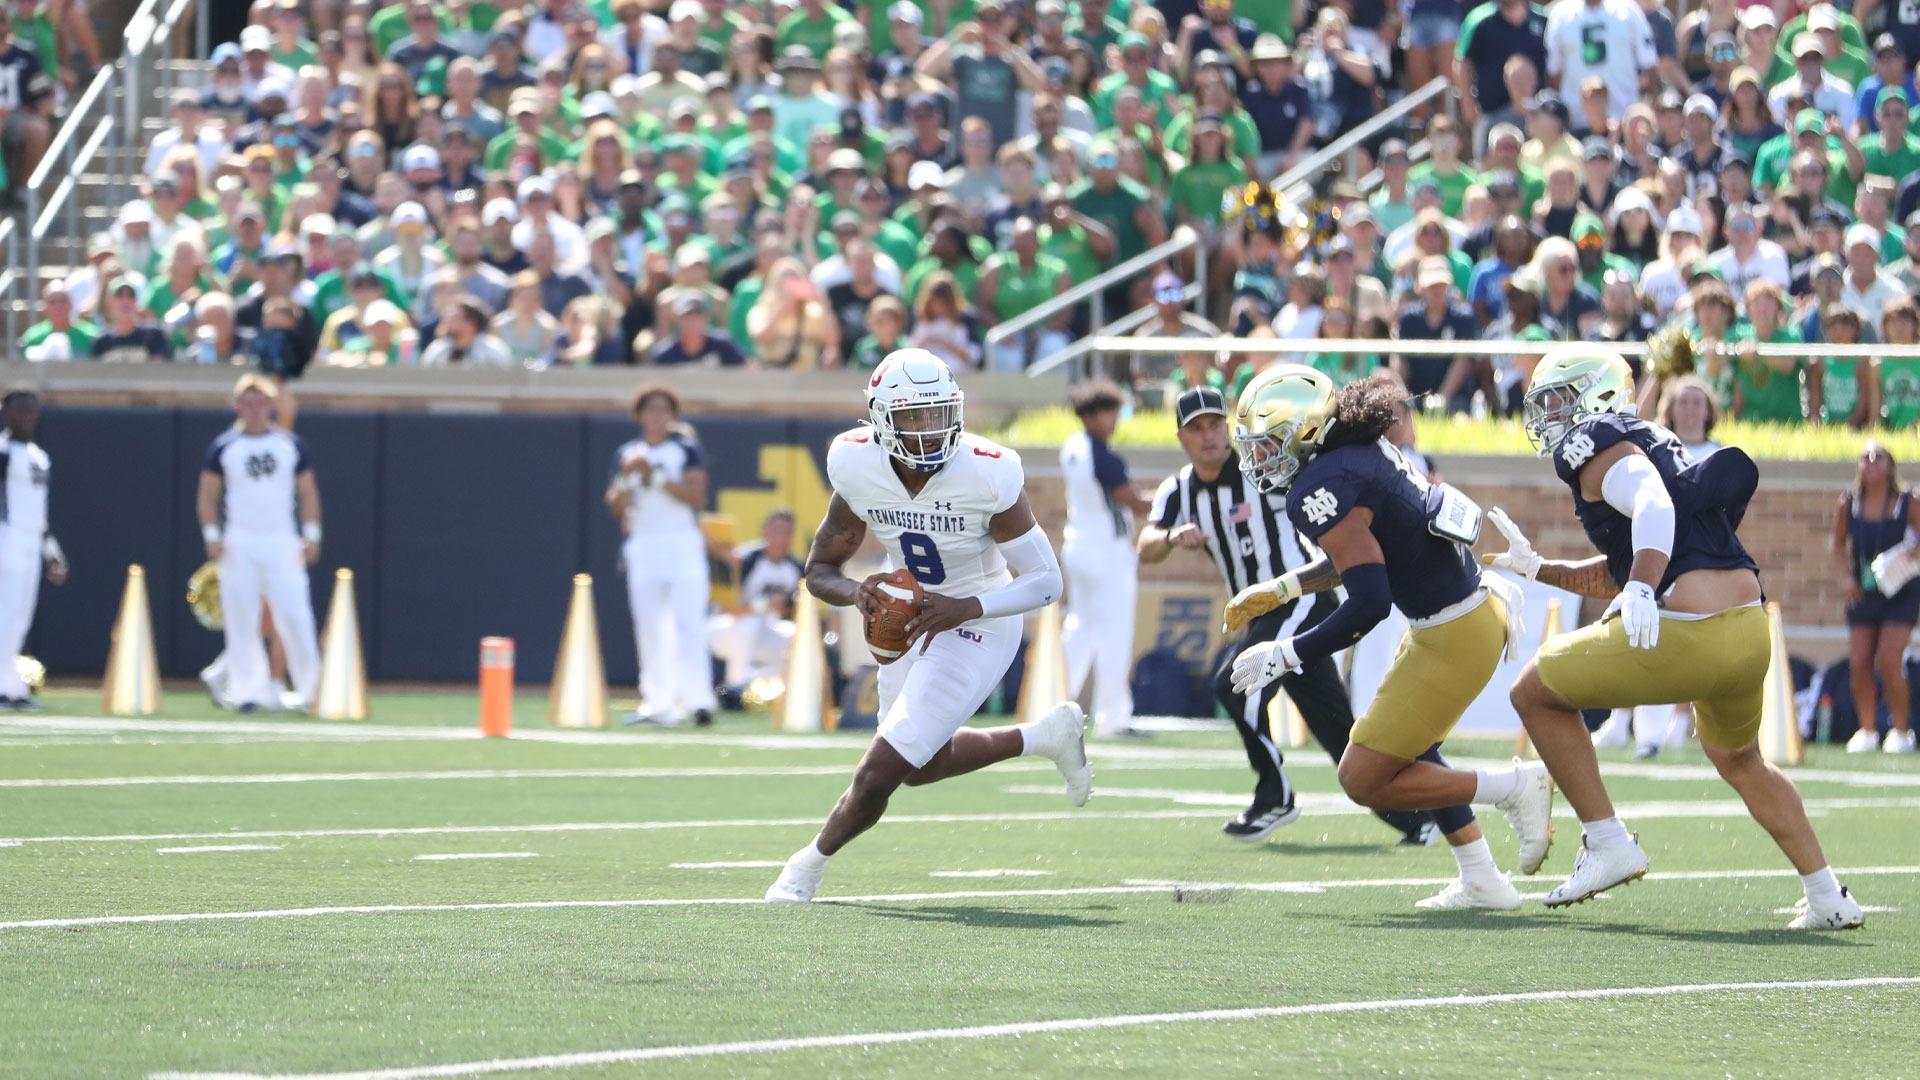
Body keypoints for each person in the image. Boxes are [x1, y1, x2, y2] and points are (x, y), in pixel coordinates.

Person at [1493, 344, 1865, 928]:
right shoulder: (1652, 440)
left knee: (1532, 692)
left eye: (1561, 401)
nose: (1551, 417)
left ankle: (1606, 840)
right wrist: (1540, 569)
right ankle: (1828, 896)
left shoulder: (1598, 446)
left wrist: (1640, 589)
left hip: (1693, 635)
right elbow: (1636, 550)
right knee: (1742, 761)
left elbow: (1651, 502)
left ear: (1599, 396)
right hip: (1748, 631)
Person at [764, 349, 1090, 903]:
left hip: (978, 622)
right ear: (881, 419)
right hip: (907, 623)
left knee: (880, 770)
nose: (930, 430)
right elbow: (820, 572)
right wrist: (859, 593)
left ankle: (805, 867)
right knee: (921, 764)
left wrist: (966, 608)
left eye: (940, 413)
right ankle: (1044, 737)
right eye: (914, 417)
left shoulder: (987, 472)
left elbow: (1045, 580)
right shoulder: (856, 464)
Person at [1224, 367, 1552, 907]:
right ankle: (1482, 878)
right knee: (1413, 748)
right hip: (1457, 616)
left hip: (1452, 631)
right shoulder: (1352, 453)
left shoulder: (1318, 484)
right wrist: (1281, 589)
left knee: (1362, 778)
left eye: (1267, 446)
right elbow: (1360, 556)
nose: (1257, 461)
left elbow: (1370, 601)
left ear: (1304, 432)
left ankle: (1514, 788)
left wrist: (1285, 653)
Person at [1137, 386, 1434, 847]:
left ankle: (1274, 796)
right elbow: (1146, 545)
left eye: (1215, 424)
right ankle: (1422, 817)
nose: (1209, 436)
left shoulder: (1260, 470)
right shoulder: (1178, 489)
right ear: (1181, 438)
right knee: (1339, 733)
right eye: (1197, 429)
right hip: (1264, 618)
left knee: (1234, 683)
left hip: (1302, 600)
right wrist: (1174, 537)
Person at [196, 375, 322, 713]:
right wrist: (213, 535)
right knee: (241, 619)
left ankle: (312, 691)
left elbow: (307, 492)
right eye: (247, 403)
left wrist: (311, 534)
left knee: (296, 615)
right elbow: (208, 494)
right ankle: (247, 691)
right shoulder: (225, 446)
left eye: (260, 403)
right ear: (238, 407)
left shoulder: (289, 445)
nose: (253, 410)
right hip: (240, 542)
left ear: (271, 406)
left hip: (282, 540)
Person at [606, 384, 717, 729]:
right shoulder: (627, 453)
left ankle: (699, 701)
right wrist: (628, 478)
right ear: (639, 415)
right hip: (645, 543)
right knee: (650, 626)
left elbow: (697, 497)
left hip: (681, 542)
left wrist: (653, 476)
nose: (656, 416)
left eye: (663, 409)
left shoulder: (685, 449)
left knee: (689, 623)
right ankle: (658, 703)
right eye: (650, 409)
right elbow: (614, 505)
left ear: (672, 415)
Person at [1059, 380, 1151, 740]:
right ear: (1093, 414)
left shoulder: (1072, 447)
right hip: (1107, 549)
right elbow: (1134, 501)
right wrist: (1170, 500)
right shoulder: (1104, 456)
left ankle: (1054, 702)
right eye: (1110, 411)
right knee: (1114, 632)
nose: (1115, 419)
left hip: (1078, 543)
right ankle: (1113, 717)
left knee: (1079, 628)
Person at [1829, 442, 1920, 754]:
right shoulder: (1850, 503)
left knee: (1890, 659)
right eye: (1865, 457)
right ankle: (1867, 730)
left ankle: (1900, 730)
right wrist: (1846, 578)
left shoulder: (1907, 502)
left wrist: (1909, 553)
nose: (1871, 462)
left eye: (1878, 457)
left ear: (1891, 466)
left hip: (1900, 591)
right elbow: (1839, 545)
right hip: (1864, 591)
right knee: (1859, 660)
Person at [0, 390, 65, 709]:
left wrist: (51, 550)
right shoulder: (3, 452)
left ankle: (12, 686)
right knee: (6, 611)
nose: (26, 416)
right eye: (19, 410)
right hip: (6, 535)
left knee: (21, 615)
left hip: (30, 538)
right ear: (6, 413)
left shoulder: (39, 455)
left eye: (31, 410)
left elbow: (39, 512)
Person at [709, 509, 803, 693]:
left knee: (794, 636)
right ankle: (735, 689)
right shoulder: (745, 560)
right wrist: (765, 605)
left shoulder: (796, 567)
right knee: (750, 624)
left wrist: (785, 608)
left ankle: (774, 691)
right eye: (777, 531)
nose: (782, 538)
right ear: (765, 531)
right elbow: (724, 608)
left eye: (788, 532)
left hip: (766, 631)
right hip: (723, 630)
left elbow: (797, 614)